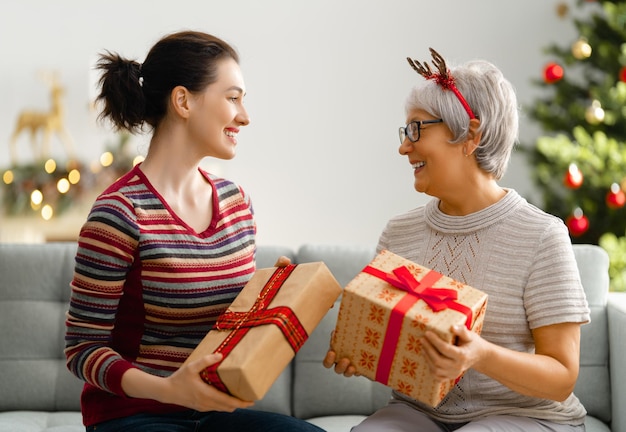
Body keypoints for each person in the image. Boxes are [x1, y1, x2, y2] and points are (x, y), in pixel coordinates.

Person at [64, 30, 323, 432]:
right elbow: (82, 350)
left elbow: (225, 327)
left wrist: (272, 299)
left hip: (212, 414)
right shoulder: (119, 213)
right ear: (183, 101)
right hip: (133, 414)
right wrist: (172, 390)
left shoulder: (237, 203)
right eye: (233, 97)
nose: (244, 115)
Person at [323, 48, 591, 431]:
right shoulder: (398, 232)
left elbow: (562, 377)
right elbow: (398, 348)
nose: (403, 146)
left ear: (471, 134)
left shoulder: (542, 236)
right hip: (419, 413)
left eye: (417, 129)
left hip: (527, 416)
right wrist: (365, 351)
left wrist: (479, 355)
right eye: (405, 131)